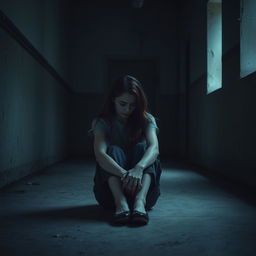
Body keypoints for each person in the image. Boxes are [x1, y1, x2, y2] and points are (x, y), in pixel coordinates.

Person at [89, 75, 162, 225]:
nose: (127, 109)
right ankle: (121, 203)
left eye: (132, 105)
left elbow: (154, 148)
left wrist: (139, 168)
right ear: (113, 99)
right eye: (123, 104)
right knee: (113, 150)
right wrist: (126, 175)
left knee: (144, 148)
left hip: (146, 194)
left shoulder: (147, 120)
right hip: (109, 195)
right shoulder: (102, 122)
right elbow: (100, 155)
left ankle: (139, 202)